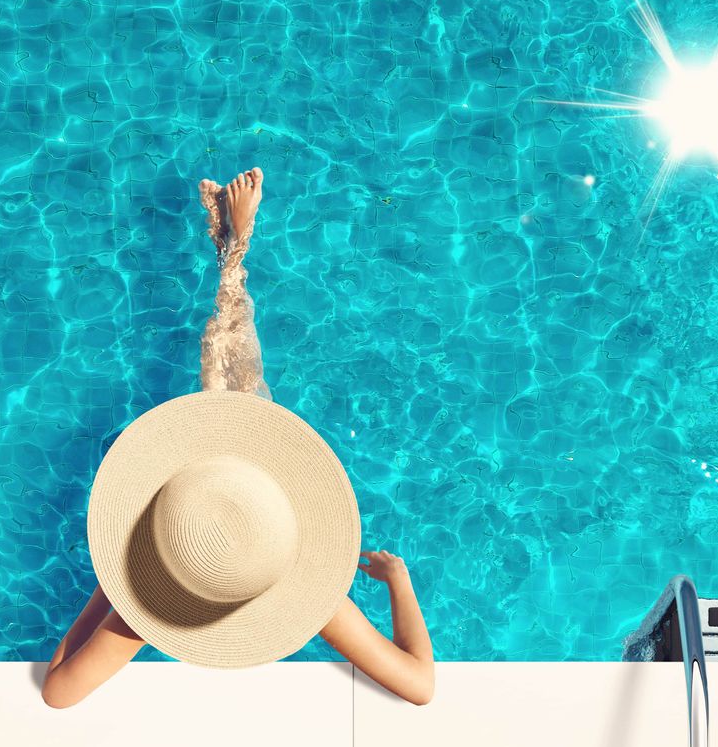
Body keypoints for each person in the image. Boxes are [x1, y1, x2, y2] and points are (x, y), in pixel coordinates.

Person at [46, 169, 435, 708]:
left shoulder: (135, 623)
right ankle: (233, 249)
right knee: (225, 379)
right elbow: (420, 686)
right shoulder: (316, 604)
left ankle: (234, 250)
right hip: (249, 512)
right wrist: (398, 581)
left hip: (221, 511)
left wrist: (117, 588)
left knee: (227, 384)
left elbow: (58, 693)